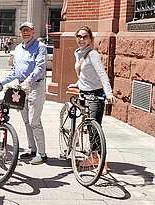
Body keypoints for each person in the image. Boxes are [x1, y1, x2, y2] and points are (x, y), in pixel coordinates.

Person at [68, 26, 117, 175]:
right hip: (83, 93)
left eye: (85, 37)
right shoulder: (78, 52)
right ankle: (93, 157)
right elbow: (84, 73)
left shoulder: (93, 54)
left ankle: (102, 163)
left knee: (95, 129)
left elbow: (102, 74)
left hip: (95, 94)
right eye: (79, 36)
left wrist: (108, 93)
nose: (81, 39)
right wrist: (78, 83)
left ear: (90, 39)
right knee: (88, 128)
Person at [0, 22, 48, 165]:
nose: (25, 33)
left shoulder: (40, 47)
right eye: (23, 31)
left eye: (28, 30)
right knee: (26, 120)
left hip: (35, 86)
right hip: (21, 87)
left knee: (34, 120)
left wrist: (28, 81)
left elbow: (40, 68)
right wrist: (1, 82)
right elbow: (15, 71)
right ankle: (31, 149)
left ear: (33, 32)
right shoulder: (19, 48)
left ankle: (42, 153)